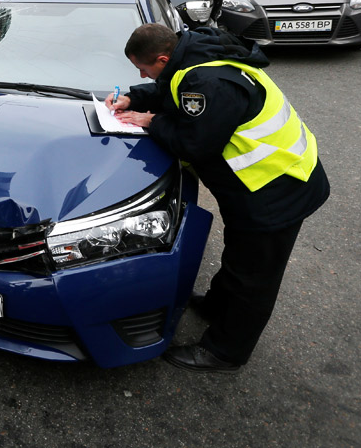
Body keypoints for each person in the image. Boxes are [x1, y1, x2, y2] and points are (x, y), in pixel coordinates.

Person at [107, 23, 329, 373]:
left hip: (277, 190)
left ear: (163, 57)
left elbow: (192, 143)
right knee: (239, 254)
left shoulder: (208, 83)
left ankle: (225, 351)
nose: (140, 72)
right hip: (261, 186)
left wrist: (150, 121)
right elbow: (171, 91)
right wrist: (133, 97)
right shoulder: (195, 56)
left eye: (143, 68)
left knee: (254, 278)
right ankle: (216, 305)